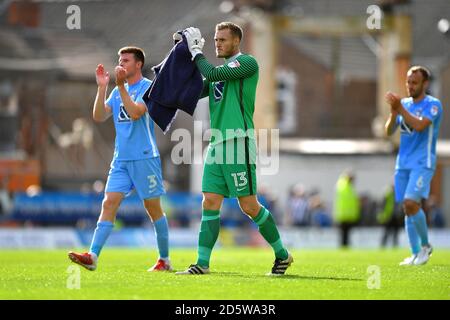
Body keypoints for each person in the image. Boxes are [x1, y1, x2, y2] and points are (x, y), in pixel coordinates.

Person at [176, 23, 293, 276]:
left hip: (238, 142)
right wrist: (180, 64)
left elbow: (214, 74)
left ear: (237, 42)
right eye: (216, 39)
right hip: (217, 144)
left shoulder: (247, 63)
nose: (217, 43)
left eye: (223, 40)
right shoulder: (218, 73)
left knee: (249, 205)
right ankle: (202, 263)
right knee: (209, 201)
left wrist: (197, 53)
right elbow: (193, 91)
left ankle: (282, 255)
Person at [68, 47, 172, 272]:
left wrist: (121, 86)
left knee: (153, 209)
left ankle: (164, 259)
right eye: (119, 60)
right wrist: (103, 87)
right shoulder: (116, 91)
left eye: (126, 60)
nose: (121, 64)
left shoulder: (149, 88)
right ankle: (93, 256)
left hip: (145, 158)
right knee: (108, 203)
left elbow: (135, 112)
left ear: (138, 64)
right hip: (121, 160)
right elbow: (98, 116)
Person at [385, 66, 443, 266]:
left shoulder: (433, 105)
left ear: (425, 84)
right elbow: (388, 131)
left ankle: (426, 246)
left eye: (414, 82)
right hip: (403, 163)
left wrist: (400, 108)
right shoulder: (404, 104)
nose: (410, 86)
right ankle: (415, 253)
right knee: (407, 208)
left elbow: (419, 125)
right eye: (408, 82)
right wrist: (394, 113)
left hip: (422, 163)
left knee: (411, 203)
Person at [333, 170, 360, 248]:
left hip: (348, 215)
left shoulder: (348, 186)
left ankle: (345, 247)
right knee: (344, 234)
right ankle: (343, 247)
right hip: (343, 215)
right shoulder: (343, 185)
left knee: (346, 234)